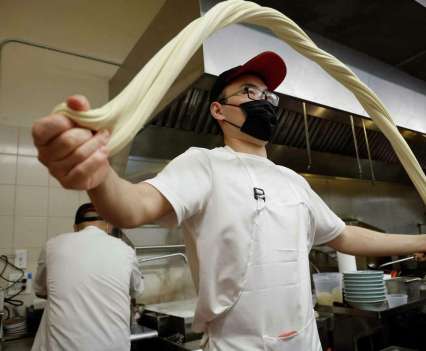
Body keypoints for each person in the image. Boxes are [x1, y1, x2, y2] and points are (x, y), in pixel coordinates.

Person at [32, 51, 426, 351]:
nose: (264, 100)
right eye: (249, 92)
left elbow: (343, 237)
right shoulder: (203, 165)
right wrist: (99, 177)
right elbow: (133, 207)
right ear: (219, 110)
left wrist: (419, 242)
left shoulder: (293, 182)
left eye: (268, 94)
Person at [32, 203, 144, 351]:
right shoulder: (126, 250)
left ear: (75, 228)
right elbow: (137, 290)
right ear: (108, 226)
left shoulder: (52, 245)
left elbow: (40, 290)